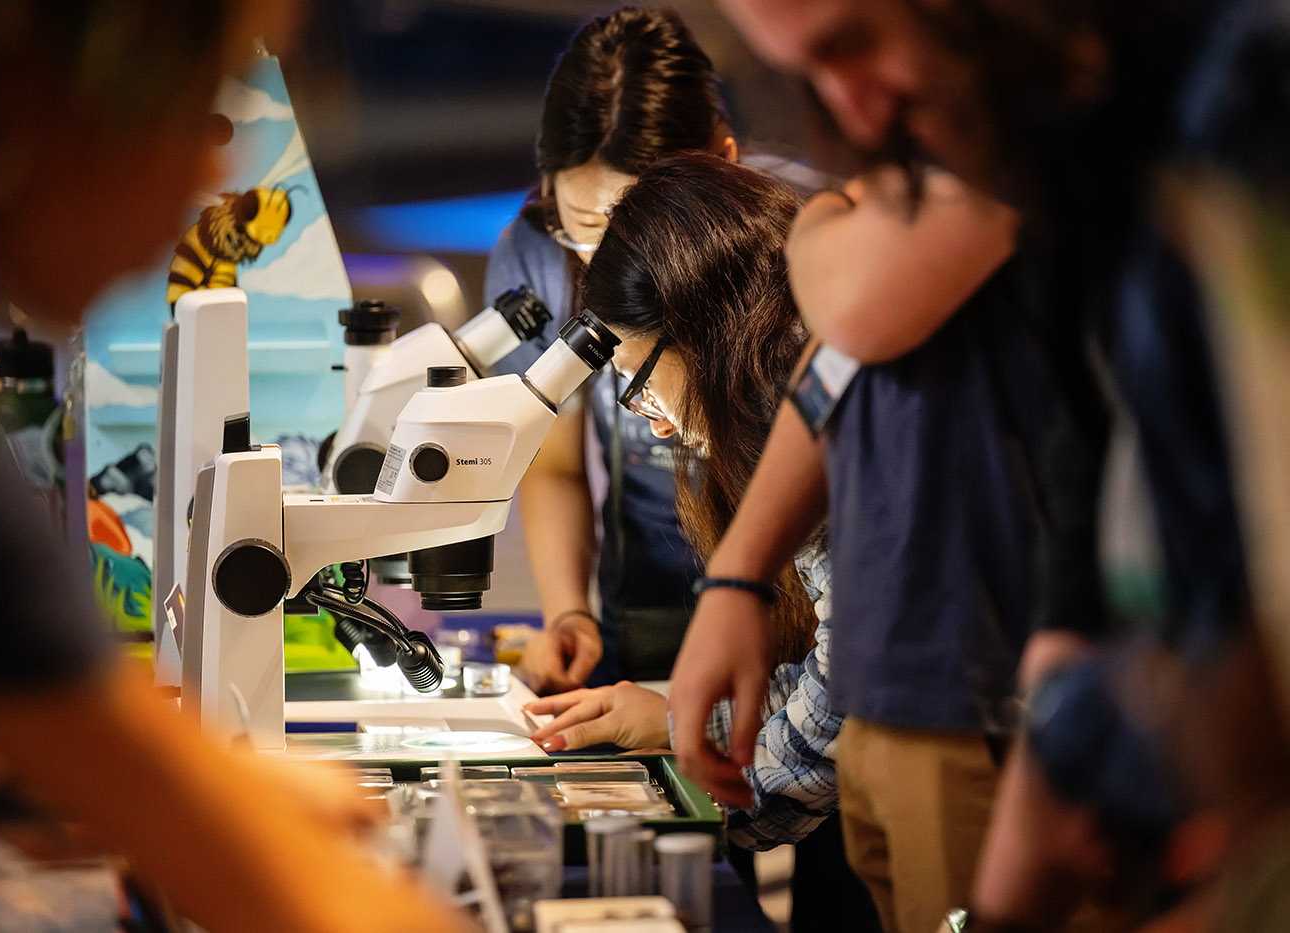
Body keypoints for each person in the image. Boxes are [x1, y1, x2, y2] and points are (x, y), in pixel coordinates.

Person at [689, 0, 1284, 928]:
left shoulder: (1224, 97)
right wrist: (737, 578)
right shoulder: (1032, 146)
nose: (854, 114)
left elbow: (860, 308)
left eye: (855, 44)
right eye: (810, 76)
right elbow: (1087, 452)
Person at [0, 3, 472, 930]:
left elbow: (48, 721)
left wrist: (78, 792)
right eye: (195, 108)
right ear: (28, 86)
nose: (214, 172)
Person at [528, 152, 881, 931]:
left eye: (640, 378)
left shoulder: (831, 413)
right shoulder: (793, 389)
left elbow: (838, 708)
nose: (648, 416)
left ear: (696, 323)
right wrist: (669, 721)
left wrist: (683, 737)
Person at [486, 7, 743, 695]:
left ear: (722, 168)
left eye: (635, 224)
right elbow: (556, 460)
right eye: (584, 230)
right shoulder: (534, 260)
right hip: (646, 618)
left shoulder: (791, 248)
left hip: (794, 628)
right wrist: (570, 611)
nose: (606, 269)